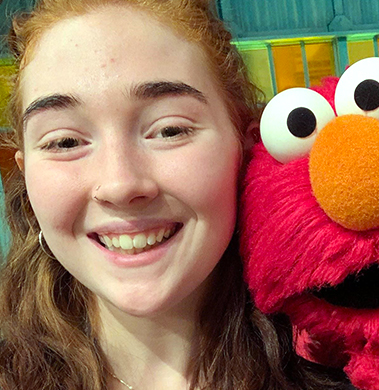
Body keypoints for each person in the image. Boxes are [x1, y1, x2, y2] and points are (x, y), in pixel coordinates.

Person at [0, 1, 350, 389]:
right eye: (64, 141)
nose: (120, 185)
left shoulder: (350, 362)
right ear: (26, 172)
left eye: (169, 130)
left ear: (246, 147)